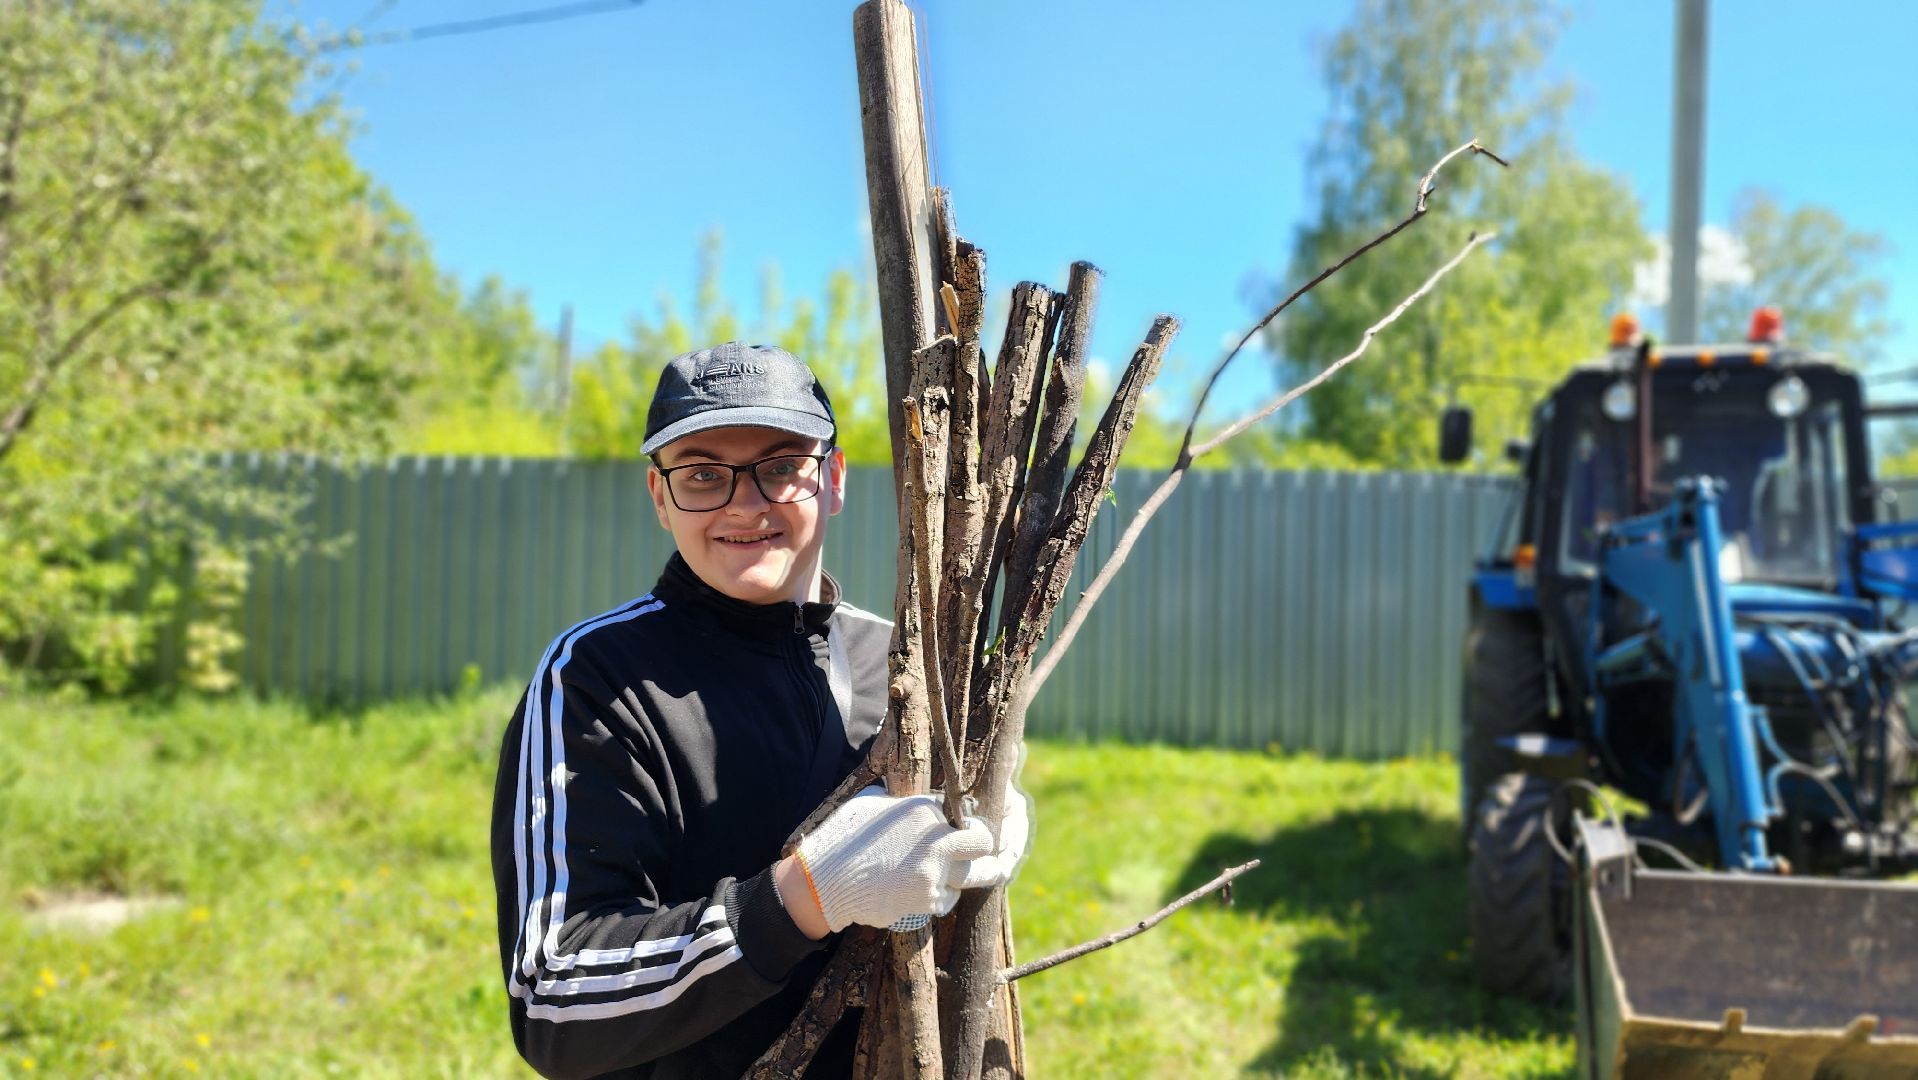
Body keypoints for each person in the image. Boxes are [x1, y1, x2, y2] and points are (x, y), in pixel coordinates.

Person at [490, 342, 1029, 1080]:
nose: (746, 504)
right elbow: (557, 1001)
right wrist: (798, 902)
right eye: (704, 475)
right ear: (659, 495)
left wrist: (981, 825)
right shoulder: (596, 680)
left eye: (781, 467)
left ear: (833, 480)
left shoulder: (907, 663)